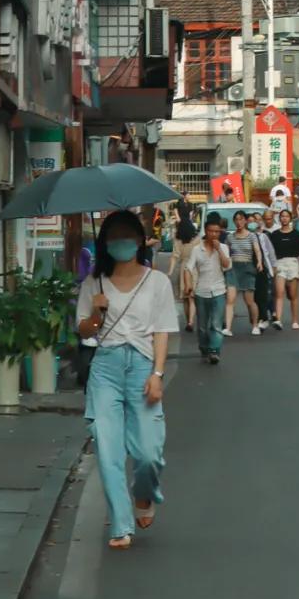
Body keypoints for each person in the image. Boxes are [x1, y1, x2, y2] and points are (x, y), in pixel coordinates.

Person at [75, 211, 179, 548]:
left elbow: (162, 330)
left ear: (139, 240)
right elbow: (84, 331)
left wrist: (158, 374)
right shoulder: (94, 283)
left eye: (128, 235)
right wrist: (96, 313)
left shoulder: (157, 282)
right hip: (105, 367)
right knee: (108, 451)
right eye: (114, 236)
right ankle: (121, 525)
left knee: (149, 452)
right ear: (105, 242)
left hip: (143, 366)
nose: (121, 242)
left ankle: (144, 493)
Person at [184, 212, 232, 365]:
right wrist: (188, 285)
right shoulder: (197, 249)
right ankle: (204, 348)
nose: (214, 234)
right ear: (206, 231)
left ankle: (214, 351)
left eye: (217, 232)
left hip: (219, 291)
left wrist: (219, 250)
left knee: (216, 325)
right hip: (201, 292)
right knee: (203, 327)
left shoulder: (224, 247)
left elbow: (227, 265)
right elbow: (188, 268)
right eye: (211, 231)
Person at [224, 209, 264, 337]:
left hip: (247, 267)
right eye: (236, 219)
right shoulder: (230, 237)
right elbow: (226, 252)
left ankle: (255, 325)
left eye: (241, 219)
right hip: (233, 268)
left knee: (249, 301)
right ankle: (228, 328)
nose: (239, 222)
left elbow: (257, 250)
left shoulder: (252, 236)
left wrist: (259, 262)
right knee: (230, 299)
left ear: (246, 221)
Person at [270, 206, 299, 329]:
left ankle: (295, 321)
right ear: (279, 219)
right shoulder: (275, 234)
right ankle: (278, 320)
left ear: (290, 219)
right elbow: (271, 252)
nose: (284, 218)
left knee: (293, 294)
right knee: (279, 292)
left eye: (286, 216)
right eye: (282, 216)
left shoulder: (296, 234)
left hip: (293, 263)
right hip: (279, 263)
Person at [170, 199, 199, 332]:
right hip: (194, 269)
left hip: (183, 269)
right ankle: (191, 321)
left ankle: (188, 321)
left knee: (186, 298)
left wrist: (170, 271)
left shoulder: (178, 241)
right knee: (192, 297)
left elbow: (174, 257)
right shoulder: (197, 240)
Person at [253, 210, 278, 328]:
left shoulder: (265, 235)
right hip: (253, 269)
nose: (257, 222)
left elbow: (270, 252)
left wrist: (274, 266)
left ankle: (270, 313)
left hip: (266, 267)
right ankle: (261, 316)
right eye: (254, 220)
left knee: (268, 292)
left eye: (259, 219)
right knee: (257, 295)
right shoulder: (248, 235)